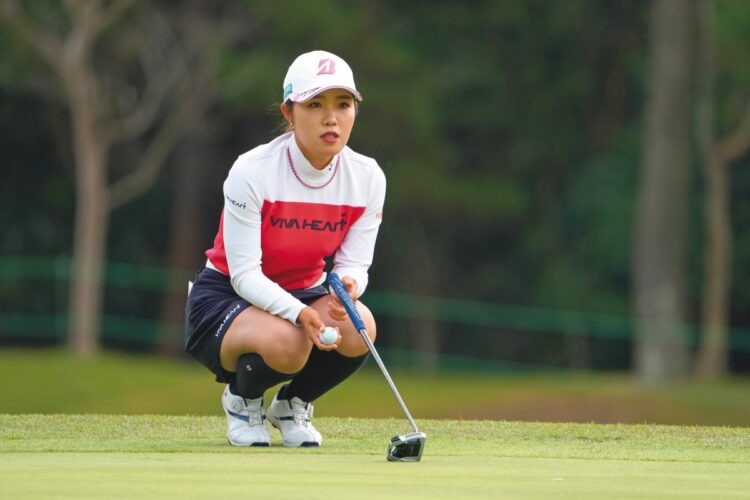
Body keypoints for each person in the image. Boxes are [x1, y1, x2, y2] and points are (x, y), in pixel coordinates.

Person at [185, 50, 386, 447]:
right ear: (289, 112)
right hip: (227, 297)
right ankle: (243, 399)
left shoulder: (367, 177)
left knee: (360, 327)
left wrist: (348, 284)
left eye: (343, 104)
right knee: (289, 341)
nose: (331, 117)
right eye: (315, 104)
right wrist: (298, 314)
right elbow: (244, 274)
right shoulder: (252, 170)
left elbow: (355, 262)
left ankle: (292, 404)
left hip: (306, 291)